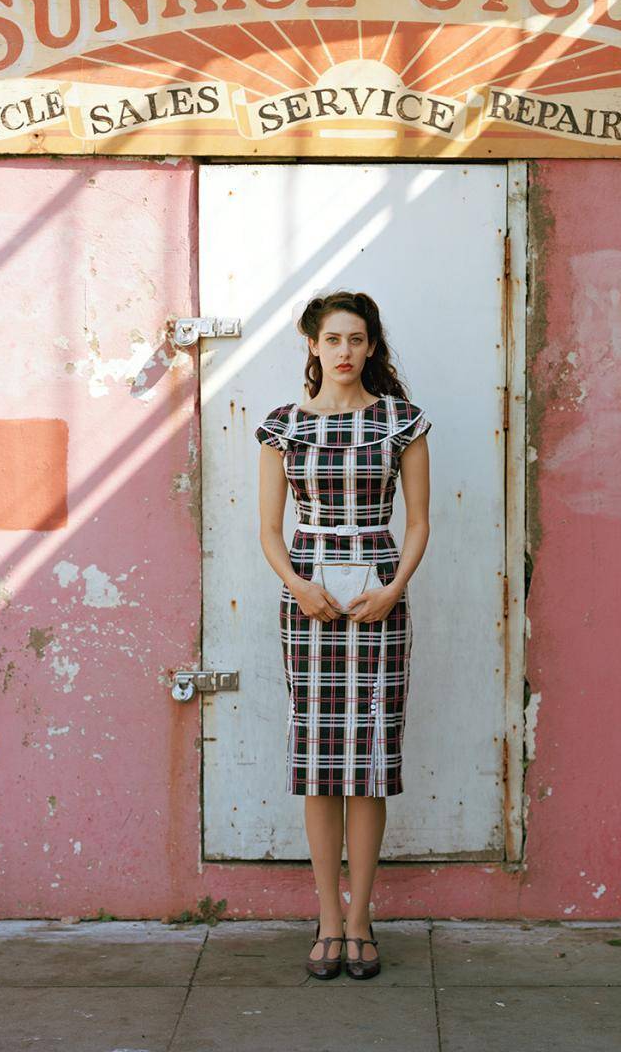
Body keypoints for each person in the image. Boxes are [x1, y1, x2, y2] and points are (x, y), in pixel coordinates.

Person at [254, 290, 431, 981]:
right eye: (333, 339)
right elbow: (270, 530)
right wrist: (298, 586)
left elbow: (417, 523)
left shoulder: (401, 422)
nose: (345, 351)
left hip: (377, 596)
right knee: (319, 760)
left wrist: (393, 589)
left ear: (372, 346)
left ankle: (361, 921)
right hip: (309, 599)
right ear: (313, 345)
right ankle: (328, 918)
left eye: (357, 339)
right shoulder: (283, 427)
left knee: (370, 759)